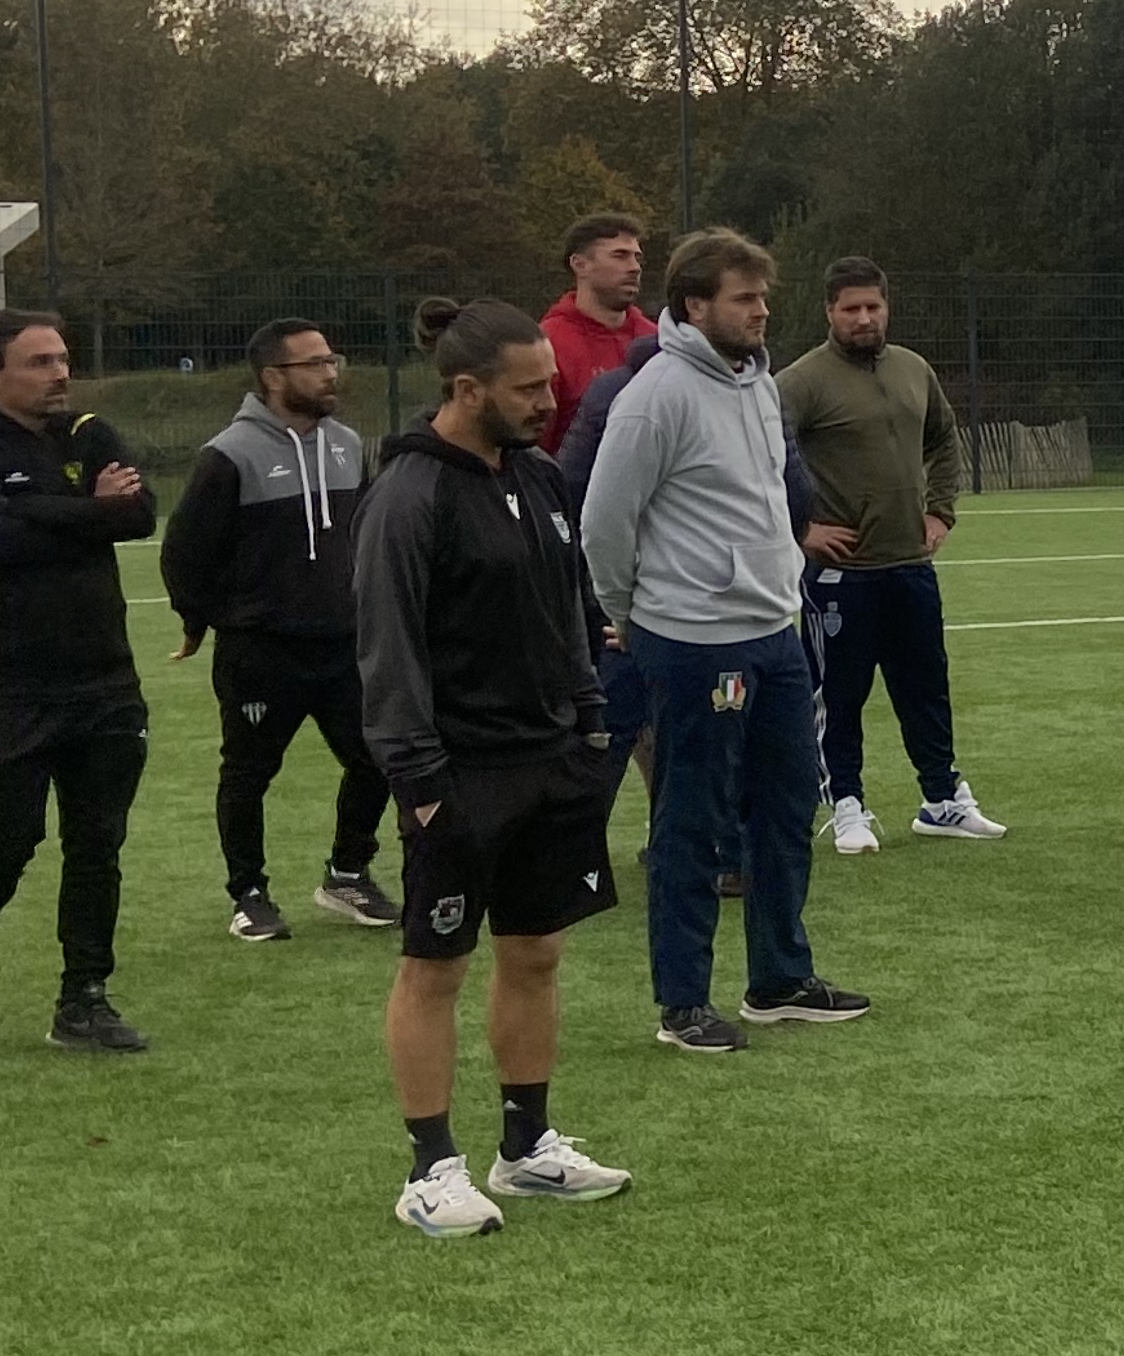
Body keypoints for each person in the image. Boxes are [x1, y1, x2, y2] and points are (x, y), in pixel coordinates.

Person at [357, 299, 633, 1237]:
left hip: (552, 761)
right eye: (529, 389)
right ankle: (431, 1169)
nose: (549, 402)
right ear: (467, 389)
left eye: (549, 383)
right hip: (458, 776)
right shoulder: (409, 495)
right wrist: (422, 786)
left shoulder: (541, 477)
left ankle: (527, 1147)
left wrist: (589, 725)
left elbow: (573, 608)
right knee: (435, 966)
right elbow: (386, 648)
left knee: (537, 953)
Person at [580, 229, 869, 1052]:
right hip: (693, 641)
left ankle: (779, 979)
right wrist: (635, 615)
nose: (761, 311)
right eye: (745, 299)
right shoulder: (656, 395)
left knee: (785, 808)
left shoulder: (759, 384)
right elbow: (604, 522)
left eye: (763, 296)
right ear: (695, 304)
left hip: (774, 632)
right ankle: (683, 1004)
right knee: (693, 822)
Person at [0, 309, 157, 1051]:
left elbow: (140, 516)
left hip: (105, 680)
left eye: (62, 358)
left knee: (97, 843)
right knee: (8, 838)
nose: (60, 373)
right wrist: (90, 509)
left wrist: (39, 510)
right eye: (39, 362)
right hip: (11, 686)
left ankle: (84, 999)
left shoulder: (89, 433)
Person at [159, 317, 402, 942]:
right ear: (273, 376)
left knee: (378, 756)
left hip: (345, 646)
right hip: (261, 651)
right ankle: (249, 894)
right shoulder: (228, 455)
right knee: (249, 773)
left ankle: (348, 873)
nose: (330, 373)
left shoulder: (347, 444)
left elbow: (365, 536)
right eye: (314, 364)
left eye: (331, 361)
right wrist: (198, 617)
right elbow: (185, 551)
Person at [776, 257, 999, 853]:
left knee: (926, 688)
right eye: (850, 308)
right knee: (838, 696)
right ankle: (846, 804)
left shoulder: (913, 368)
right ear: (829, 311)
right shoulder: (801, 381)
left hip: (910, 566)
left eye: (872, 306)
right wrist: (800, 529)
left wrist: (939, 510)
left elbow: (944, 439)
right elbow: (757, 451)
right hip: (840, 575)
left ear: (886, 307)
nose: (863, 318)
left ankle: (942, 799)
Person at [537, 213, 654, 455]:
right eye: (620, 255)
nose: (634, 268)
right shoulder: (547, 343)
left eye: (637, 257)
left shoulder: (656, 339)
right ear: (580, 265)